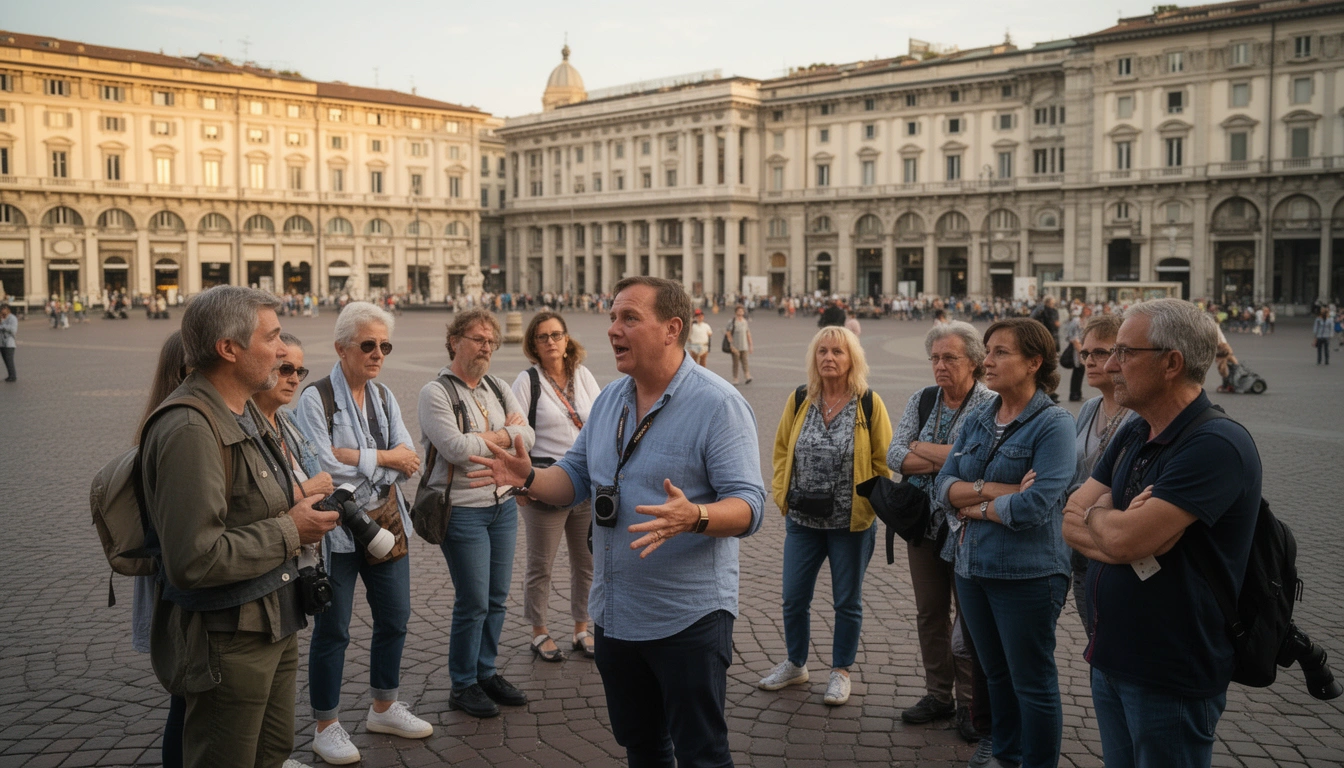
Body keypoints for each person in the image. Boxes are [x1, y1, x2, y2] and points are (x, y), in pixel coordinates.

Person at [469, 276, 765, 768]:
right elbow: (575, 477)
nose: (612, 329)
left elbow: (750, 506)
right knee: (642, 747)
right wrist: (529, 478)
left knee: (701, 754)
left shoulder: (718, 404)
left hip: (687, 619)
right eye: (611, 317)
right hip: (615, 617)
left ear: (672, 329)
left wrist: (695, 516)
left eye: (629, 318)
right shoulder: (609, 400)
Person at [140, 286, 340, 768]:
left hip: (274, 620)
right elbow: (194, 559)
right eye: (271, 338)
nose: (281, 350)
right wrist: (293, 530)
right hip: (228, 637)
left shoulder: (247, 411)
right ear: (228, 349)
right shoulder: (190, 428)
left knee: (271, 753)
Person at [1063, 299, 1260, 768]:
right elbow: (1071, 516)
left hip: (1169, 672)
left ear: (1172, 363)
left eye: (1125, 353)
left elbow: (1128, 541)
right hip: (1110, 655)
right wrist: (1112, 523)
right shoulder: (1136, 429)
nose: (1110, 366)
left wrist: (1109, 521)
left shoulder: (1216, 444)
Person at [293, 302, 433, 763]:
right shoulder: (316, 398)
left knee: (395, 616)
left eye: (385, 346)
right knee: (333, 629)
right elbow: (323, 467)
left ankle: (384, 705)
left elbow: (409, 456)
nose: (378, 354)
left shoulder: (384, 395)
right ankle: (326, 724)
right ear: (341, 348)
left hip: (387, 523)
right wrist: (383, 459)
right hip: (336, 531)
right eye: (368, 345)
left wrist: (366, 459)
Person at [933, 317, 1076, 768]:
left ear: (1034, 362)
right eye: (987, 350)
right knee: (994, 674)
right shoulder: (979, 416)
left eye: (999, 352)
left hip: (1028, 574)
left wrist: (969, 502)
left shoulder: (1054, 425)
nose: (987, 361)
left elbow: (1035, 506)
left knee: (1031, 681)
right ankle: (1006, 752)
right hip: (971, 567)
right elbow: (942, 488)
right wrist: (994, 491)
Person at [762, 326, 891, 706]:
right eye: (822, 351)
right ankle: (795, 663)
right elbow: (783, 448)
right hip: (802, 520)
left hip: (850, 523)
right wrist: (782, 493)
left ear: (852, 359)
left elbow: (883, 460)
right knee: (792, 597)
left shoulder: (868, 403)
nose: (828, 358)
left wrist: (869, 504)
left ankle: (840, 671)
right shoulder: (801, 398)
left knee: (846, 601)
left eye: (837, 351)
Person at [417, 308, 535, 718]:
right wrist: (506, 436)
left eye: (490, 341)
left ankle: (486, 671)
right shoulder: (436, 392)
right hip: (463, 510)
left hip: (502, 506)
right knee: (473, 601)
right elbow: (455, 449)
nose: (485, 347)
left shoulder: (500, 388)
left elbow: (528, 436)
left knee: (497, 598)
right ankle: (463, 683)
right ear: (454, 341)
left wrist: (486, 438)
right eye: (477, 339)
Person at [885, 322, 996, 745]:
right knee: (930, 613)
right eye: (935, 358)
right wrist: (946, 459)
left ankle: (972, 705)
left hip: (967, 527)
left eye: (950, 357)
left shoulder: (989, 404)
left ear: (974, 361)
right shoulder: (923, 398)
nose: (940, 366)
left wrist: (923, 451)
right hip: (922, 527)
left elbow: (976, 462)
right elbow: (895, 454)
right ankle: (938, 694)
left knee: (968, 621)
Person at [511, 311, 601, 663]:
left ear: (567, 340)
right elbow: (516, 434)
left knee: (587, 562)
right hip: (545, 482)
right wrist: (522, 483)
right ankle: (539, 631)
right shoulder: (527, 380)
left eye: (556, 335)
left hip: (585, 482)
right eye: (542, 336)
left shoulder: (583, 375)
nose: (550, 341)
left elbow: (600, 422)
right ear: (533, 344)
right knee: (541, 564)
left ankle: (582, 627)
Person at [130, 331, 189, 768]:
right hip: (180, 583)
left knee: (187, 698)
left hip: (172, 578)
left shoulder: (161, 420)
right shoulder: (181, 430)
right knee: (188, 699)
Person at [1065, 314, 1137, 634]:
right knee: (1094, 642)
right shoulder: (1089, 408)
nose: (1090, 361)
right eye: (1086, 353)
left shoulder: (1137, 415)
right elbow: (1073, 470)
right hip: (1081, 553)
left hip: (1114, 548)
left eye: (1100, 352)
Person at [1063, 307, 1089, 402]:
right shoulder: (1076, 321)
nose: (1088, 312)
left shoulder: (1084, 321)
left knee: (1080, 371)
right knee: (1077, 370)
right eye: (1086, 310)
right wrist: (1080, 352)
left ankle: (1077, 393)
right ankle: (1074, 394)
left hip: (1081, 347)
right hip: (1076, 349)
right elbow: (1074, 338)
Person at [725, 304, 753, 385]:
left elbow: (748, 333)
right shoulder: (732, 321)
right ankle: (735, 378)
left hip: (744, 346)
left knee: (745, 361)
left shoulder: (745, 321)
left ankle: (747, 376)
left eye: (742, 311)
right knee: (735, 363)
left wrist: (750, 344)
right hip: (735, 346)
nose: (741, 312)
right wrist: (731, 344)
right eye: (739, 311)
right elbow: (728, 333)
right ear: (736, 312)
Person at [0, 302, 17, 382]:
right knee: (5, 361)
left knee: (9, 360)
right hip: (1, 343)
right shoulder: (1, 318)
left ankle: (13, 376)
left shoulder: (12, 318)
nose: (2, 311)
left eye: (3, 309)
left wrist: (2, 326)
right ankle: (10, 375)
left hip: (9, 343)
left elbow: (13, 330)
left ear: (7, 310)